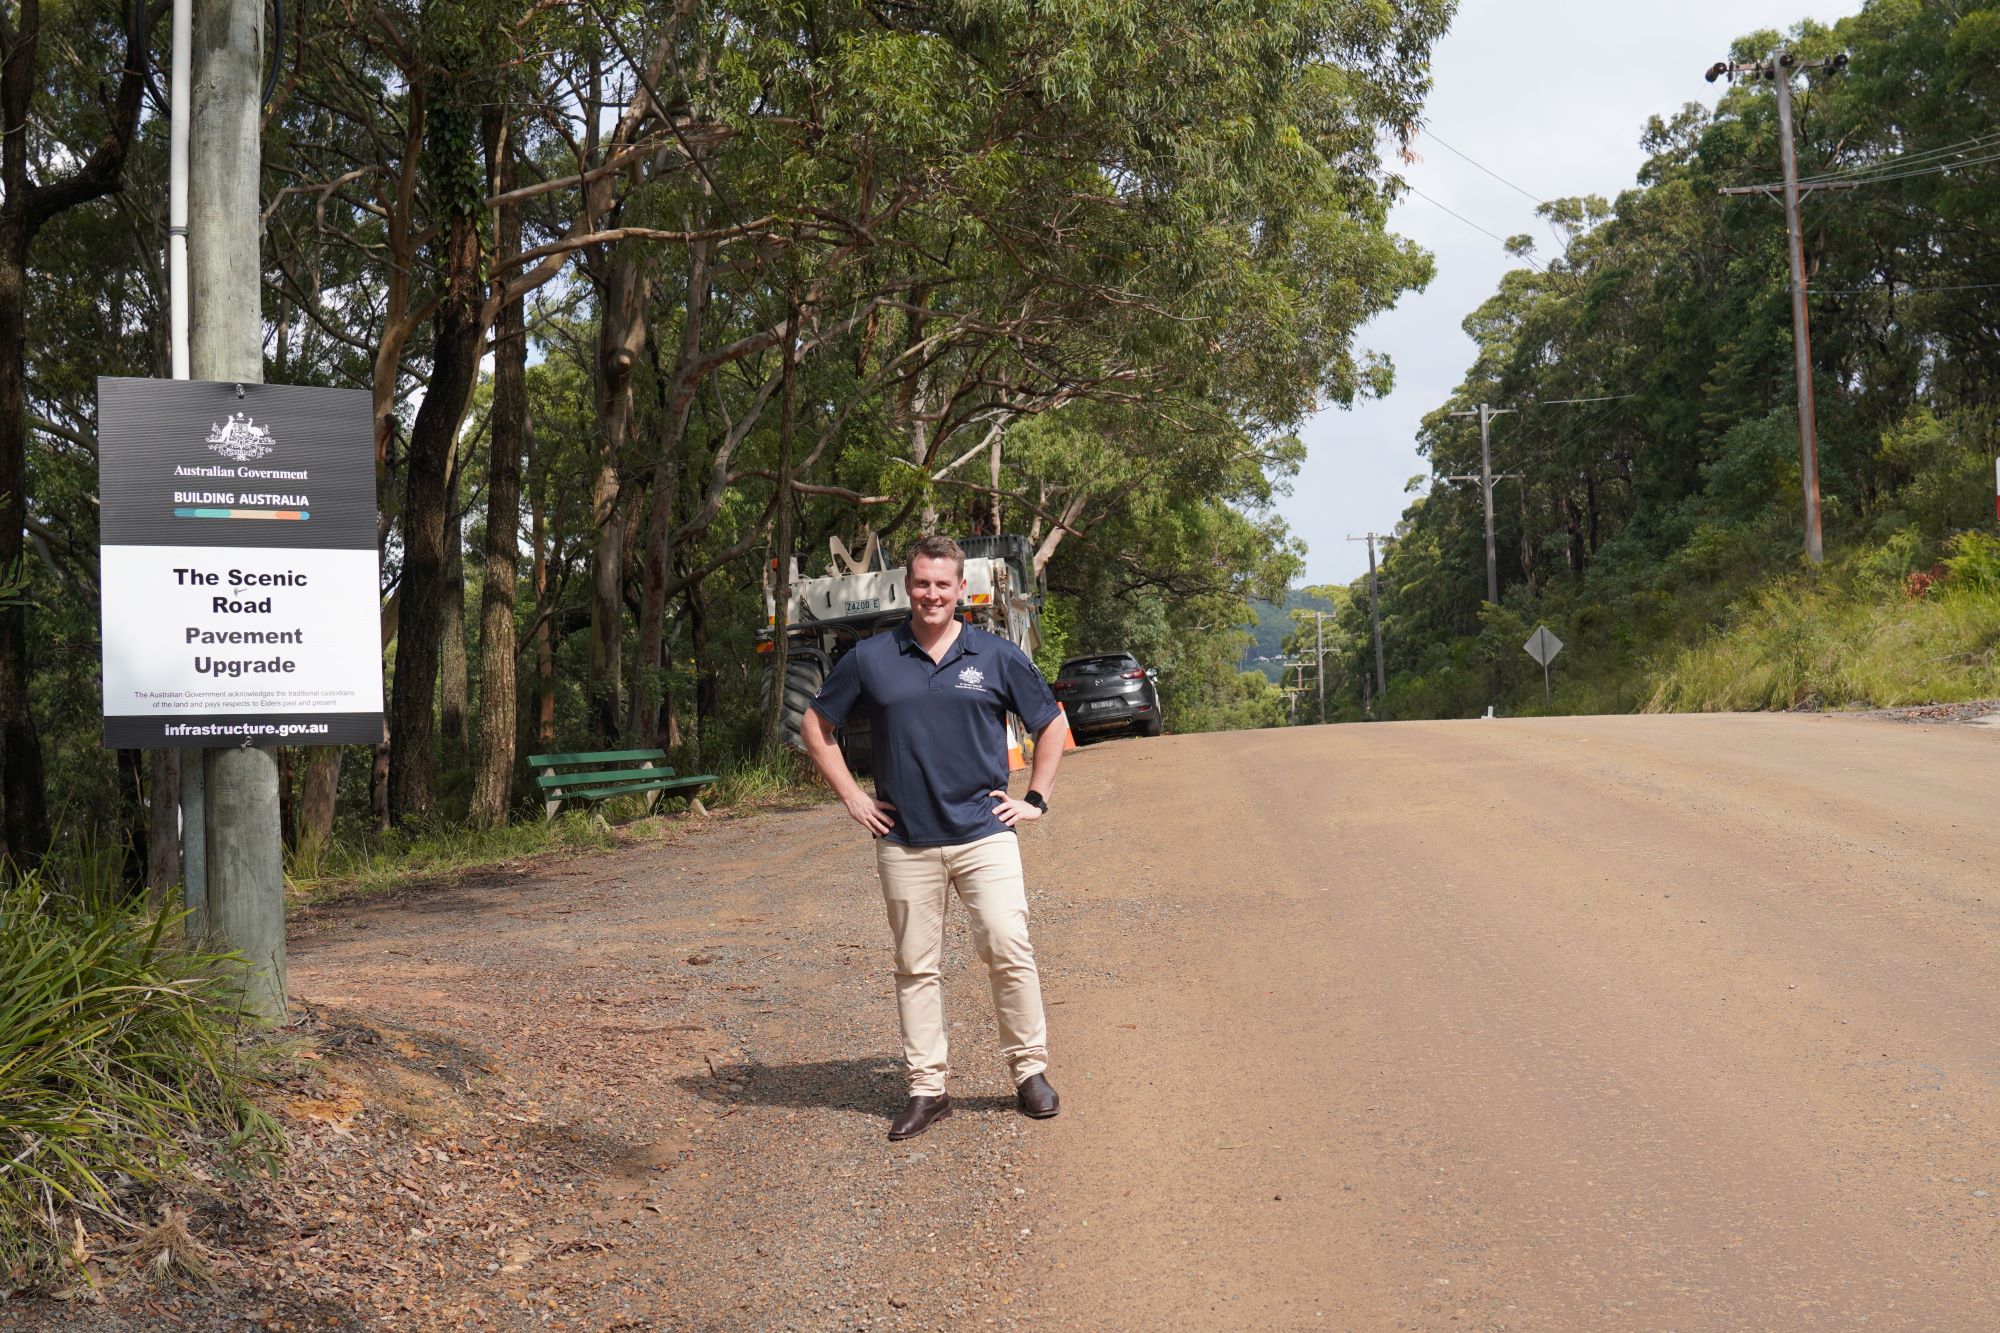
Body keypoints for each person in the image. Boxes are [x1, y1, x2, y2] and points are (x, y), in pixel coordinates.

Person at [801, 534, 1071, 1142]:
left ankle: (1029, 1073)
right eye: (921, 583)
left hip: (984, 833)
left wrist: (1036, 798)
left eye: (942, 584)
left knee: (1008, 945)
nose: (931, 594)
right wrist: (852, 796)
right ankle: (928, 1088)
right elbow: (816, 726)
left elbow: (1050, 722)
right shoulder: (871, 658)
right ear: (907, 586)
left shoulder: (997, 656)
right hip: (905, 840)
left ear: (961, 590)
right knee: (915, 967)